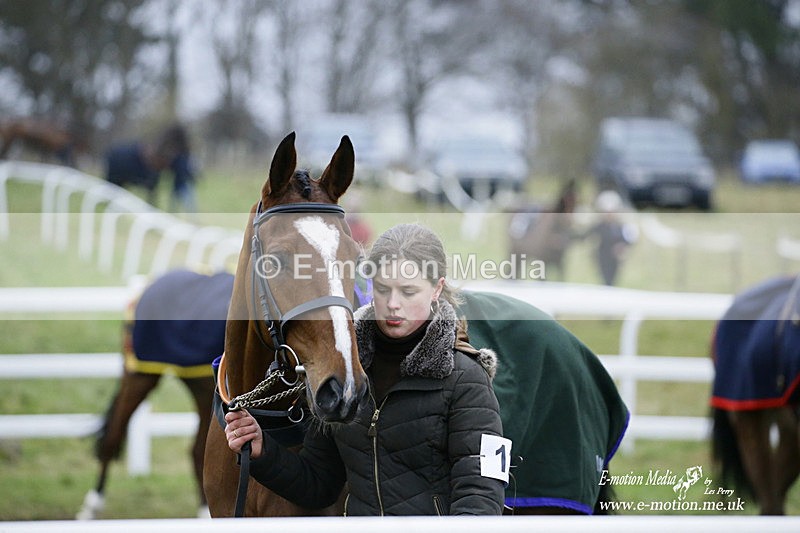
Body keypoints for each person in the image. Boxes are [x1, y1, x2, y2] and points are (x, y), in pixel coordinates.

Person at [225, 223, 506, 515]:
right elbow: (319, 485)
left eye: (408, 291)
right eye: (383, 290)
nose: (393, 305)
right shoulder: (345, 374)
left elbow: (480, 496)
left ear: (436, 289)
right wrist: (263, 451)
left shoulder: (466, 378)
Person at [583, 190, 638, 286]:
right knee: (606, 280)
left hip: (615, 259)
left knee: (612, 281)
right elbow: (586, 235)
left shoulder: (620, 227)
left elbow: (629, 239)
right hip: (602, 257)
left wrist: (622, 247)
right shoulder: (600, 226)